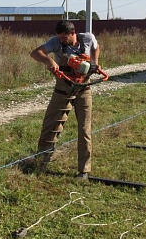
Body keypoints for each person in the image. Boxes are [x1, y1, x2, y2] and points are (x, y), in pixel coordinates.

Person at [29, 20, 100, 181]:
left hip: (83, 89)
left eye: (64, 37)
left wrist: (95, 63)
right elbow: (35, 53)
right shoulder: (55, 42)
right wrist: (49, 61)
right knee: (50, 125)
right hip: (63, 88)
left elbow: (96, 47)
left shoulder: (87, 38)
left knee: (84, 129)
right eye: (59, 37)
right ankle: (41, 163)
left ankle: (84, 170)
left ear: (73, 33)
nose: (61, 40)